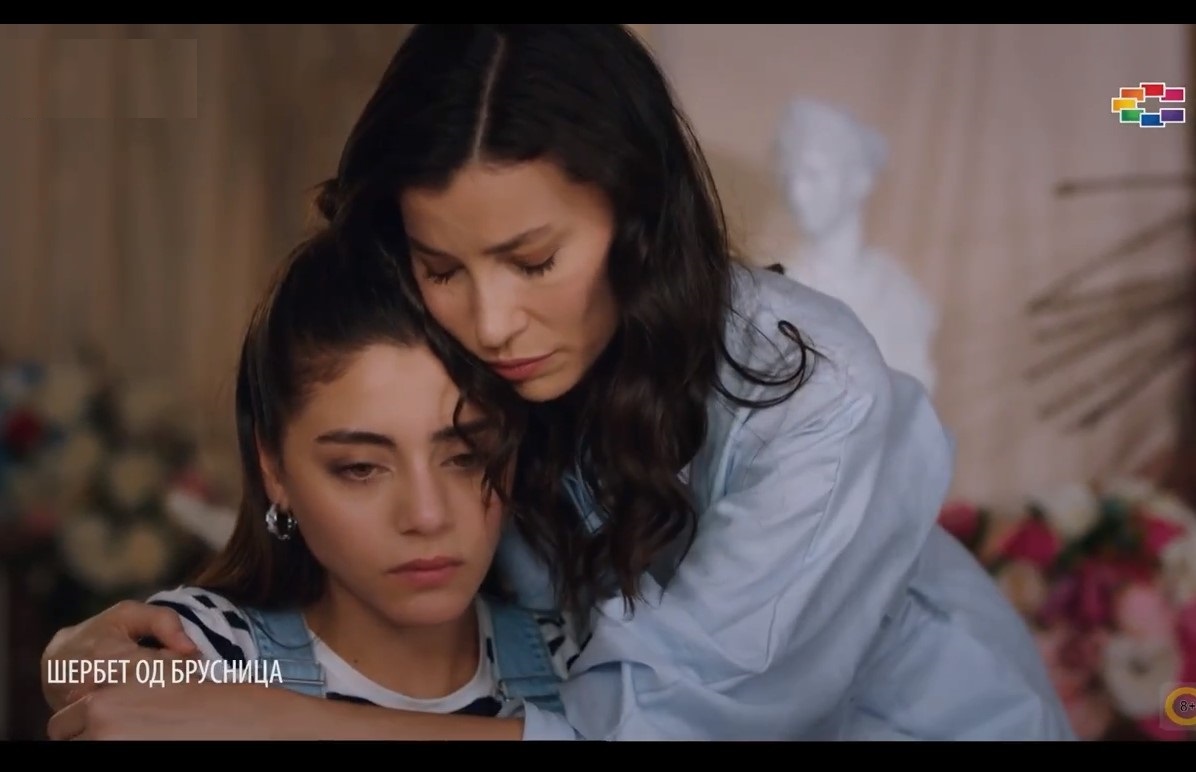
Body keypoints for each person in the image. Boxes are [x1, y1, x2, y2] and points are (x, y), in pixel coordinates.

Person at [42, 24, 1075, 740]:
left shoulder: (810, 391)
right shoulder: (475, 363)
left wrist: (273, 722)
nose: (491, 322)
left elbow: (659, 730)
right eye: (440, 266)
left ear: (636, 216)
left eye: (533, 261)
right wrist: (77, 657)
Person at [45, 230, 579, 739]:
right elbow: (93, 681)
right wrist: (66, 659)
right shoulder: (207, 654)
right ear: (275, 469)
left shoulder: (581, 666)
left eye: (466, 457)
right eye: (361, 468)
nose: (426, 515)